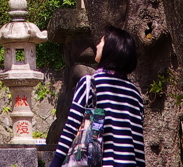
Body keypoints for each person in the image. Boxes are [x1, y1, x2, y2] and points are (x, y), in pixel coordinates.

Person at [49, 25, 145, 167]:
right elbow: (137, 142)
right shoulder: (134, 93)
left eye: (101, 42)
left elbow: (71, 128)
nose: (97, 45)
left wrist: (55, 163)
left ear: (111, 49)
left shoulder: (90, 83)